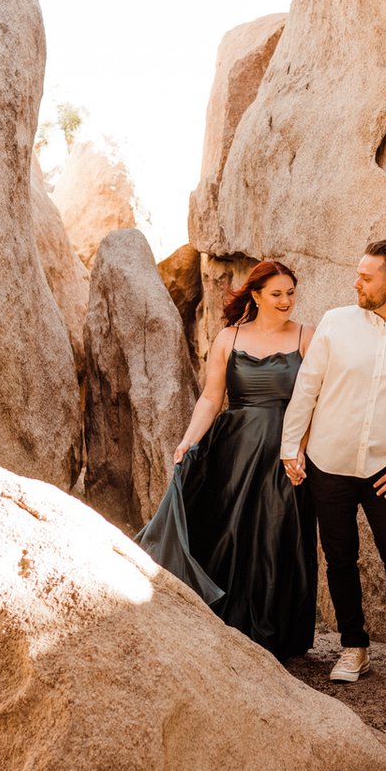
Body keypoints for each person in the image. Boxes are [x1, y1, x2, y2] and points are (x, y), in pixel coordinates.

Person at [281, 240, 386, 689]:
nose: (355, 282)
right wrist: (290, 448)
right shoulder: (335, 324)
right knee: (340, 559)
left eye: (366, 276)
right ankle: (353, 647)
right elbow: (307, 389)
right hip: (328, 463)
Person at [137, 259, 318, 661]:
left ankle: (276, 637)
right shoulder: (228, 339)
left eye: (290, 292)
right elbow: (211, 398)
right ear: (256, 295)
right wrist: (188, 441)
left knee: (277, 536)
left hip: (285, 452)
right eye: (277, 293)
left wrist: (299, 447)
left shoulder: (308, 336)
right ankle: (228, 627)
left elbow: (314, 400)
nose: (286, 300)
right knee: (229, 534)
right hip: (234, 450)